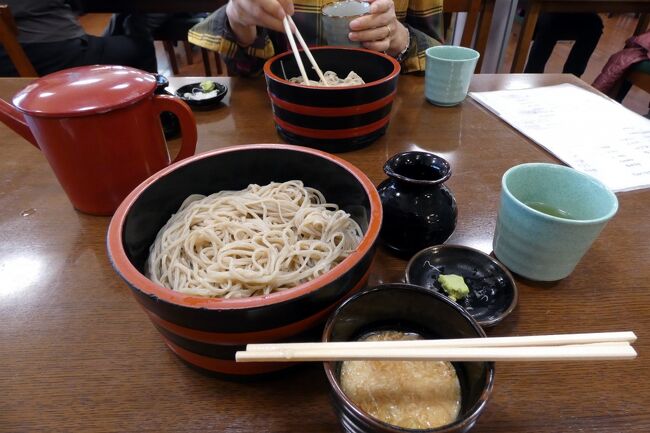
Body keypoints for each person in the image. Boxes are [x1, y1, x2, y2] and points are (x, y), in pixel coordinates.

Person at [188, 0, 444, 76]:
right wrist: (238, 19)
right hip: (282, 114)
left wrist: (401, 38)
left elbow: (438, 58)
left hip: (382, 114)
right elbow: (245, 70)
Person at [0, 0, 157, 77]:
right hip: (57, 54)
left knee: (124, 25)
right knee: (142, 47)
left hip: (6, 65)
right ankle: (156, 118)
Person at [523, 12, 603, 77]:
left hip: (574, 12)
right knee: (550, 23)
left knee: (595, 25)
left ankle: (571, 79)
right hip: (541, 9)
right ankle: (531, 76)